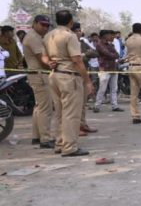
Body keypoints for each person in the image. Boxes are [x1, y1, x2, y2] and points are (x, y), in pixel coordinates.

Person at [42, 9, 94, 157]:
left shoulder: (48, 35)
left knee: (60, 112)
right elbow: (77, 60)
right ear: (71, 21)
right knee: (71, 114)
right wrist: (87, 81)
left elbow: (44, 57)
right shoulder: (70, 36)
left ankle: (60, 143)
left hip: (54, 76)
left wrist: (50, 62)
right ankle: (70, 147)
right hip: (69, 76)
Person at [22, 14, 54, 147]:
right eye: (42, 25)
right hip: (39, 74)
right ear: (34, 23)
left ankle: (37, 136)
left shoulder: (35, 36)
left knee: (39, 107)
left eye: (47, 25)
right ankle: (45, 139)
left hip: (37, 74)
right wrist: (54, 65)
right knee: (46, 108)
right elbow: (42, 60)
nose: (45, 28)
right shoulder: (33, 37)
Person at [72, 22, 98, 135]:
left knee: (83, 102)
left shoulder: (83, 42)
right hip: (73, 75)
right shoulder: (70, 42)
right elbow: (75, 59)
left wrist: (84, 55)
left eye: (79, 30)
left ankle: (82, 124)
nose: (78, 33)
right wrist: (84, 55)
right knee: (75, 103)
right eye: (76, 31)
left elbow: (95, 52)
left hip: (83, 73)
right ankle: (75, 127)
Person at [94, 29, 123, 113]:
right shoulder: (99, 44)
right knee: (102, 88)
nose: (111, 36)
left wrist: (113, 55)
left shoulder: (110, 44)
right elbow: (108, 54)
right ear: (104, 35)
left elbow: (116, 55)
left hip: (113, 67)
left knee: (114, 88)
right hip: (104, 68)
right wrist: (113, 55)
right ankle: (97, 106)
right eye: (109, 35)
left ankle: (115, 106)